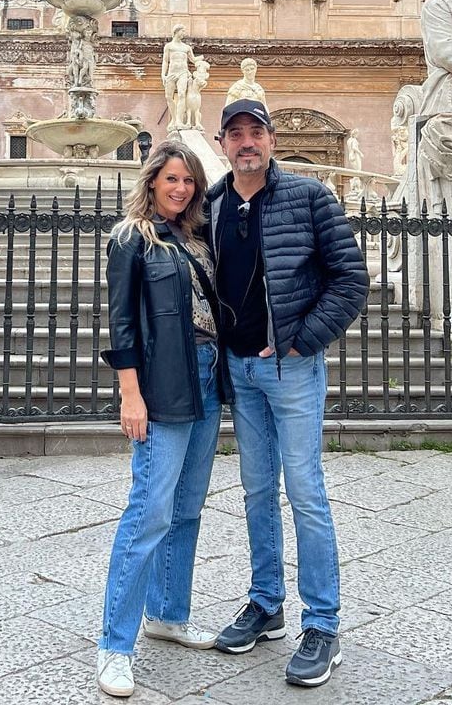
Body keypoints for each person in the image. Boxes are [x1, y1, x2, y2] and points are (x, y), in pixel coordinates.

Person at [208, 99, 368, 688]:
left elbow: (350, 280)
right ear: (222, 142)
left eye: (255, 132)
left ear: (271, 140)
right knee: (255, 491)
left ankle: (322, 624)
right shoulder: (215, 204)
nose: (246, 142)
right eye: (235, 134)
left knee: (304, 490)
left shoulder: (310, 197)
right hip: (242, 371)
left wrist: (303, 340)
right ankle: (266, 603)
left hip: (291, 370)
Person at [98, 141, 229, 698]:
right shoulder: (131, 238)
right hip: (162, 380)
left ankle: (168, 613)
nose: (181, 189)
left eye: (189, 182)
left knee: (187, 507)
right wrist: (131, 393)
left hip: (207, 374)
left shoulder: (198, 239)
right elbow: (122, 323)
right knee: (148, 510)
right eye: (172, 179)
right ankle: (115, 645)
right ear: (152, 181)